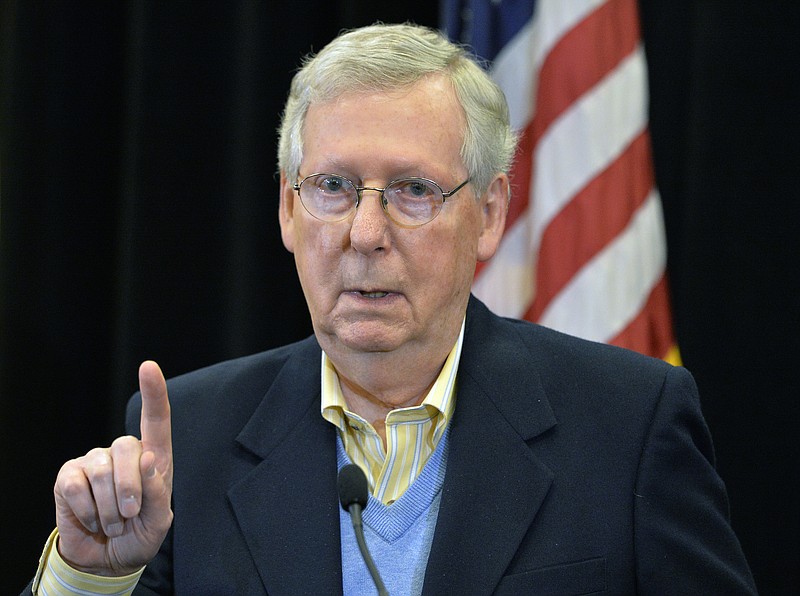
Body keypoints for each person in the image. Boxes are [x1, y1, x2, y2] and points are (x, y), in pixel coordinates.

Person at [23, 23, 756, 595]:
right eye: (334, 187)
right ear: (287, 208)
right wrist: (90, 577)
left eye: (413, 191)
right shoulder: (190, 440)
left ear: (491, 213)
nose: (365, 235)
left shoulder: (628, 425)